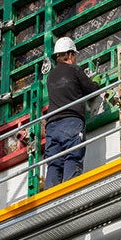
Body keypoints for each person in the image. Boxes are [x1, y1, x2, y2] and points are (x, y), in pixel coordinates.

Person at [44, 36, 101, 189]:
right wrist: (96, 81)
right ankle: (69, 192)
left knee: (54, 164)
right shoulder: (74, 70)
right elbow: (91, 91)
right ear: (69, 55)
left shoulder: (50, 77)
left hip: (52, 127)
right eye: (74, 55)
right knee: (72, 157)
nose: (75, 58)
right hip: (70, 122)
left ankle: (50, 197)